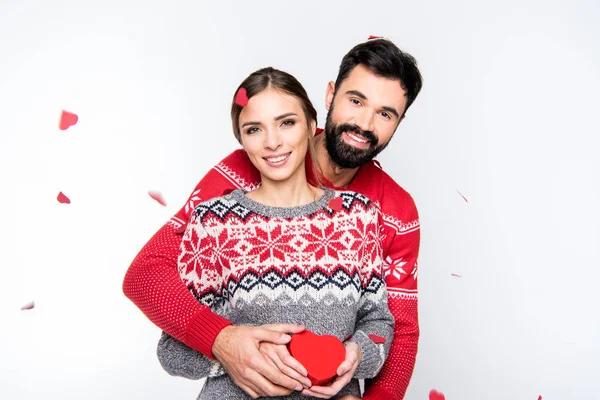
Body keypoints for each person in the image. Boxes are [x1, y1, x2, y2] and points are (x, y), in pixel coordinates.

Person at [123, 37, 423, 400]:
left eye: (385, 113)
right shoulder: (248, 169)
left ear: (400, 121)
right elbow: (147, 272)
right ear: (329, 95)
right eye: (356, 101)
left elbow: (399, 332)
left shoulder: (390, 213)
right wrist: (222, 341)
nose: (363, 123)